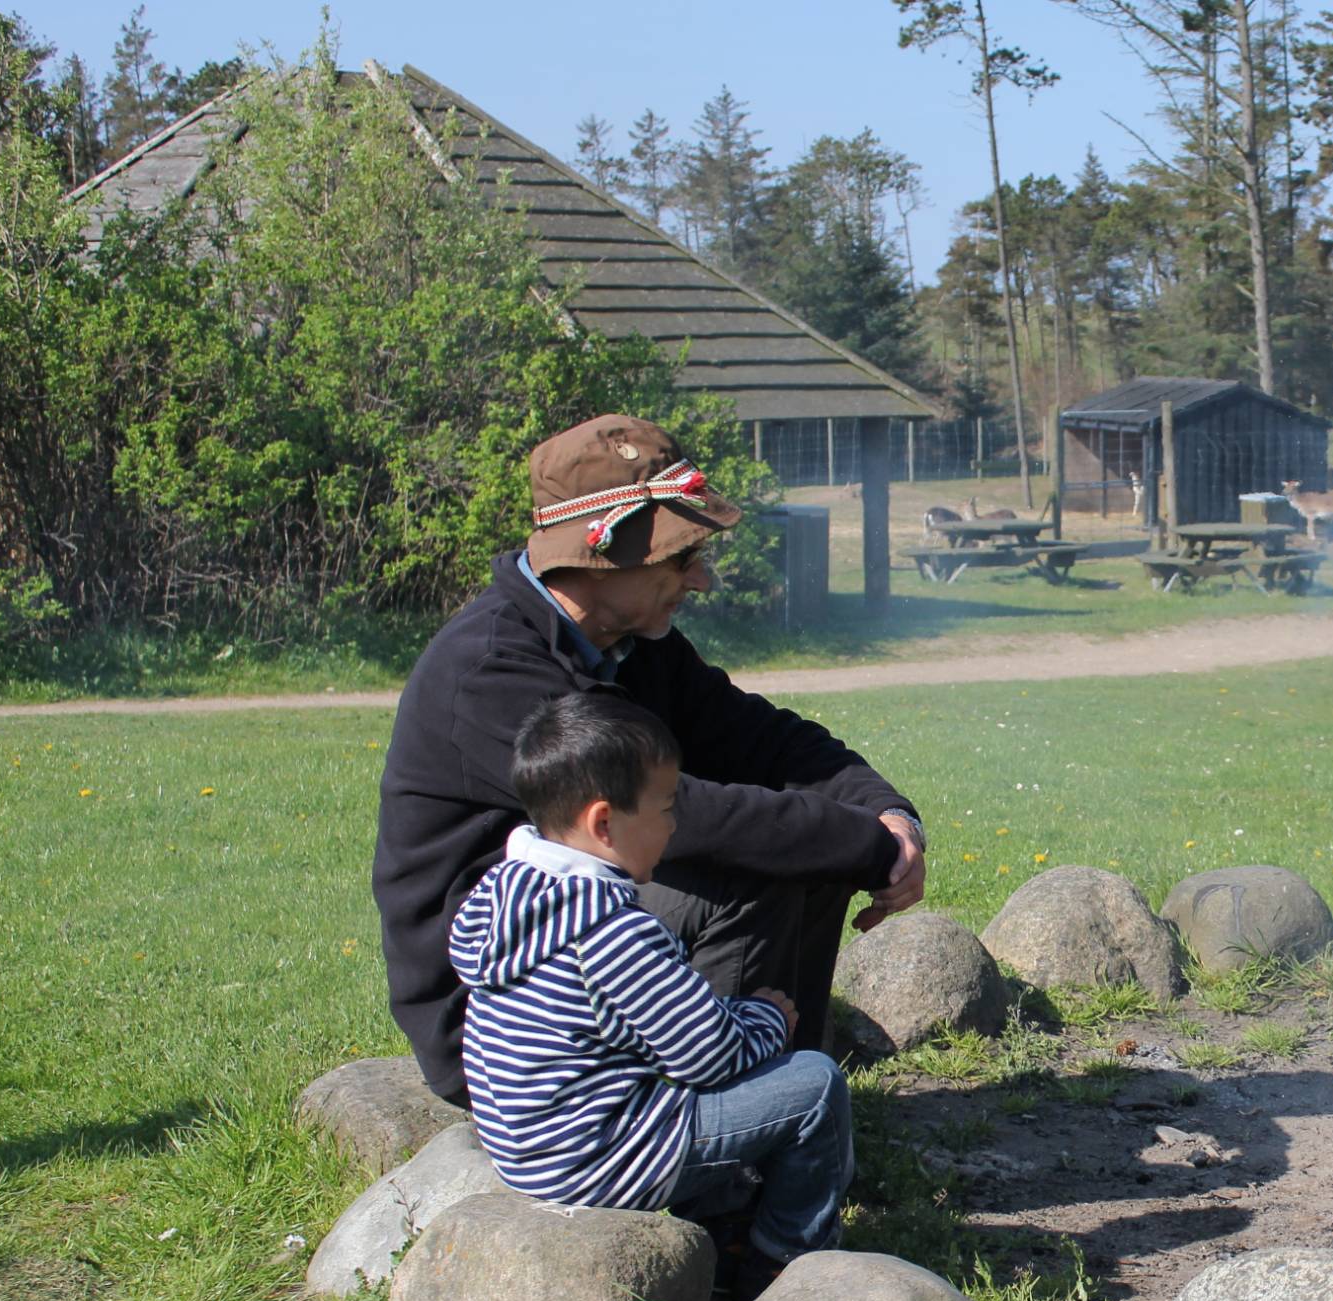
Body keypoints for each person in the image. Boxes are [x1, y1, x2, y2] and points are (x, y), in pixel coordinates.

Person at [375, 413, 924, 1110]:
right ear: (601, 552)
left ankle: (789, 1100)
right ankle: (715, 1142)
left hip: (587, 955)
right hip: (502, 1023)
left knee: (807, 847)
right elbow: (674, 816)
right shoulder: (488, 670)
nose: (702, 579)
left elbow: (761, 738)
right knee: (748, 869)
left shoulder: (635, 644)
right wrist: (864, 844)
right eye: (680, 556)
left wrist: (884, 815)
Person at [450, 694, 849, 1283]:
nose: (674, 824)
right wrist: (767, 1020)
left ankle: (724, 1214)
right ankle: (782, 1260)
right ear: (604, 823)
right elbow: (707, 1057)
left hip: (530, 1152)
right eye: (665, 808)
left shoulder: (511, 894)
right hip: (601, 1158)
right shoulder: (609, 932)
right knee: (815, 1085)